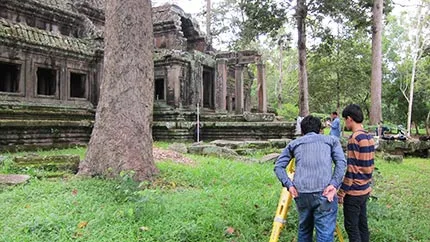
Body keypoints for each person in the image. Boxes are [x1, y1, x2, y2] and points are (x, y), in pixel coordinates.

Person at [274, 115, 346, 242]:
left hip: (301, 192)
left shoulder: (294, 144)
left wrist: (289, 185)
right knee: (324, 234)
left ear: (302, 131)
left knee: (304, 229)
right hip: (325, 192)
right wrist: (334, 184)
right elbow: (341, 163)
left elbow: (279, 166)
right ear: (320, 130)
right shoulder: (331, 141)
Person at [338, 104, 375, 242]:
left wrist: (342, 192)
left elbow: (351, 169)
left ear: (349, 119)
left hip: (354, 192)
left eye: (344, 120)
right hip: (365, 189)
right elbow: (370, 165)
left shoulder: (354, 139)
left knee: (352, 228)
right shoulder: (369, 137)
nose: (345, 123)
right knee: (362, 226)